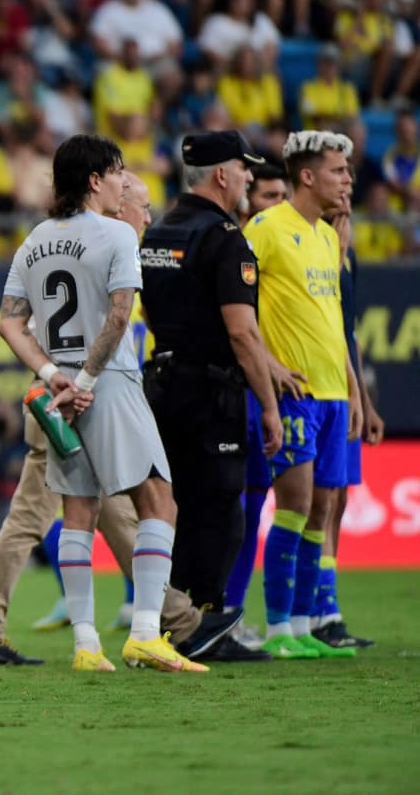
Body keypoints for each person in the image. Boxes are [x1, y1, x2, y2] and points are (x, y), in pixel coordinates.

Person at [0, 173, 235, 668]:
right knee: (63, 515)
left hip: (60, 393)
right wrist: (80, 383)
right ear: (115, 204)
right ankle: (170, 621)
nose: (147, 216)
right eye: (141, 205)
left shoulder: (56, 244)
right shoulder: (109, 243)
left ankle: (142, 626)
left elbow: (20, 320)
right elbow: (109, 324)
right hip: (81, 399)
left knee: (104, 513)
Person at [0, 133, 200, 674]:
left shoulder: (34, 239)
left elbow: (10, 324)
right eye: (117, 172)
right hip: (105, 382)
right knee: (159, 499)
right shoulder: (115, 234)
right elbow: (119, 315)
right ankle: (144, 634)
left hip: (58, 390)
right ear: (94, 180)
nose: (122, 182)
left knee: (78, 513)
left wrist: (53, 376)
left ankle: (86, 645)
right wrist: (86, 378)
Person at [139, 131, 283, 663]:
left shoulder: (156, 233)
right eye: (244, 169)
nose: (249, 177)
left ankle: (160, 624)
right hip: (211, 393)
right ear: (222, 175)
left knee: (169, 506)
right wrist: (268, 405)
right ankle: (204, 625)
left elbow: (150, 311)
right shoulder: (224, 238)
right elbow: (244, 334)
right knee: (219, 508)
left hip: (163, 384)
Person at [244, 130, 362, 660]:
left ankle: (303, 623)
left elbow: (333, 322)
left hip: (334, 393)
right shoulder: (266, 228)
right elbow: (236, 304)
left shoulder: (324, 237)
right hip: (295, 393)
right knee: (292, 507)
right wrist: (268, 365)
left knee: (323, 508)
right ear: (308, 176)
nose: (348, 180)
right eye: (339, 170)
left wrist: (354, 391)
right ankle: (276, 628)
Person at [311, 185, 382, 650]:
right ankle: (314, 608)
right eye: (338, 176)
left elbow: (346, 332)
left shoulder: (343, 251)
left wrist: (365, 399)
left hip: (344, 389)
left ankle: (327, 606)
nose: (347, 188)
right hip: (315, 389)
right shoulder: (314, 245)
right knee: (318, 501)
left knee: (335, 499)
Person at [224, 161, 287, 645]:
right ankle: (210, 606)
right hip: (238, 389)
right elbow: (241, 328)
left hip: (268, 389)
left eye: (281, 196)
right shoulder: (240, 247)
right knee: (227, 505)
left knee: (253, 500)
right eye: (267, 196)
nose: (276, 206)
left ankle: (232, 608)